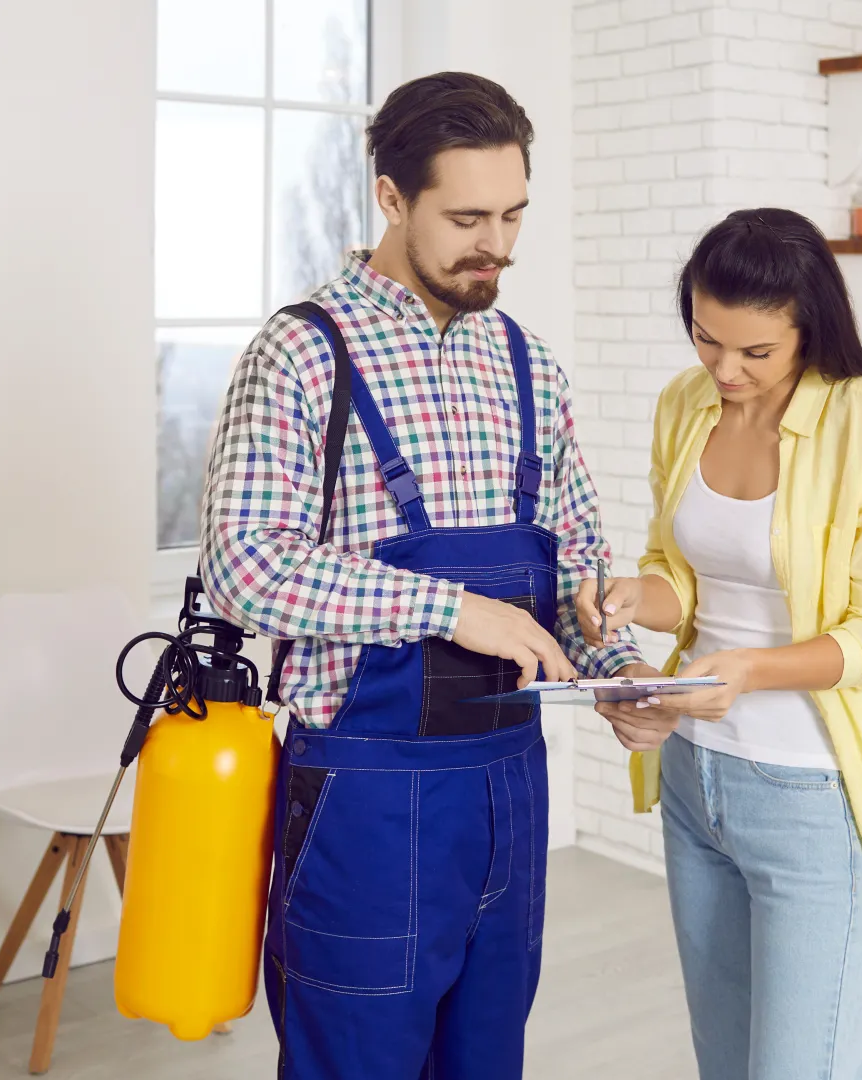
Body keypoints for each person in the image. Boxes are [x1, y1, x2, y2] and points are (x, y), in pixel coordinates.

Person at [198, 71, 660, 1080]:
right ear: (392, 198)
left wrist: (620, 668)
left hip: (508, 788)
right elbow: (243, 565)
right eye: (465, 217)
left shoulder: (528, 364)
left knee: (487, 1061)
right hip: (367, 799)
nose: (494, 243)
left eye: (512, 215)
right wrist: (451, 610)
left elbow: (577, 567)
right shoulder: (304, 354)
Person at [575, 208, 862, 1079]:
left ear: (807, 330)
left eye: (755, 353)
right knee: (726, 1063)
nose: (725, 370)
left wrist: (747, 672)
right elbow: (683, 574)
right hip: (694, 778)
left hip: (810, 793)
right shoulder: (685, 403)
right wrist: (636, 599)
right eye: (707, 340)